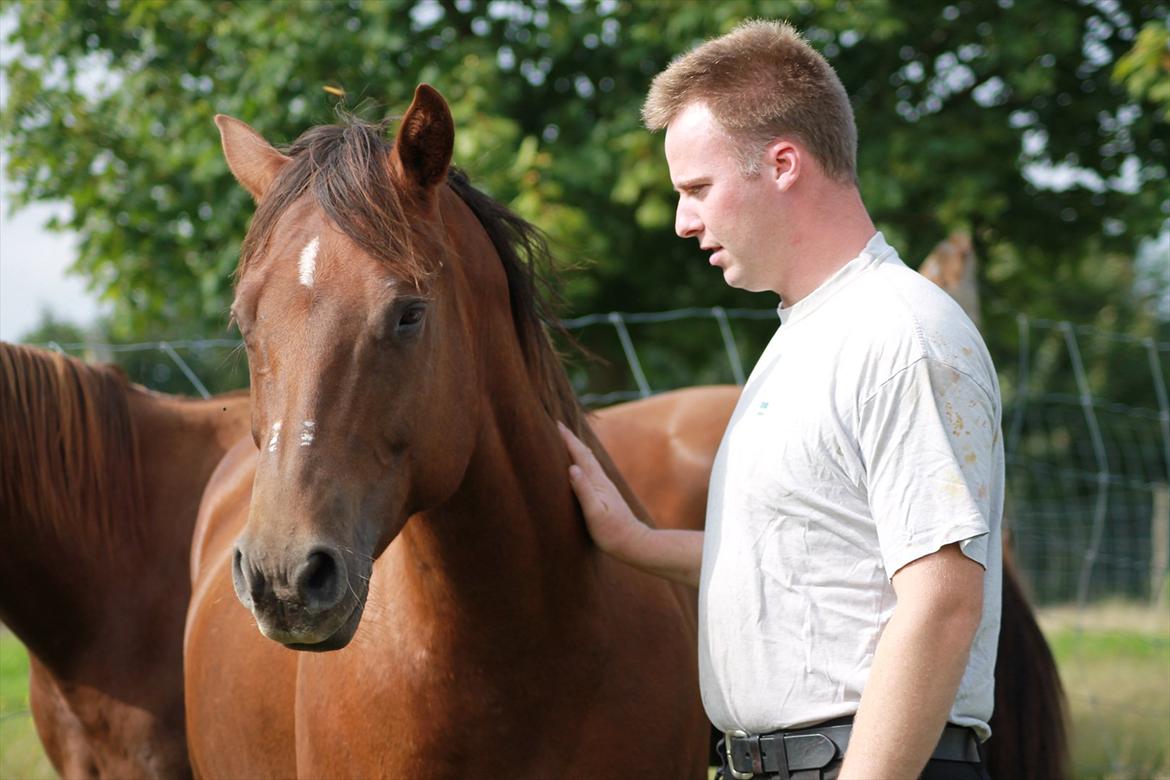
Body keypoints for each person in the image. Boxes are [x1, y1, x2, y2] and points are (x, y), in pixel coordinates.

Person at [558, 20, 1002, 780]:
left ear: (783, 163)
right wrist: (634, 543)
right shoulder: (806, 336)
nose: (682, 221)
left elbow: (941, 603)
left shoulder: (901, 334)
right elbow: (812, 566)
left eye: (697, 188)